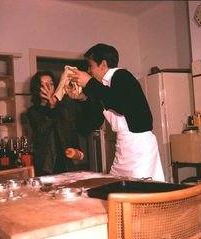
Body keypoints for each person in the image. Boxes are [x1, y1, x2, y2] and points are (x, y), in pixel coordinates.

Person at [62, 43, 165, 182]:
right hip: (123, 145)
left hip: (139, 147)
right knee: (116, 184)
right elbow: (95, 121)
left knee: (141, 192)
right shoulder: (102, 87)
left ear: (103, 64)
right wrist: (83, 99)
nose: (88, 70)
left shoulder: (122, 76)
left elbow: (120, 105)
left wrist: (89, 82)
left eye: (90, 66)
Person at [27, 70, 80, 176]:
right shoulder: (33, 111)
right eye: (44, 85)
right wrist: (51, 107)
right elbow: (41, 130)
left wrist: (77, 151)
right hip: (46, 165)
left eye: (50, 83)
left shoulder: (63, 107)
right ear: (37, 89)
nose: (49, 87)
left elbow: (71, 129)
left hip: (66, 161)